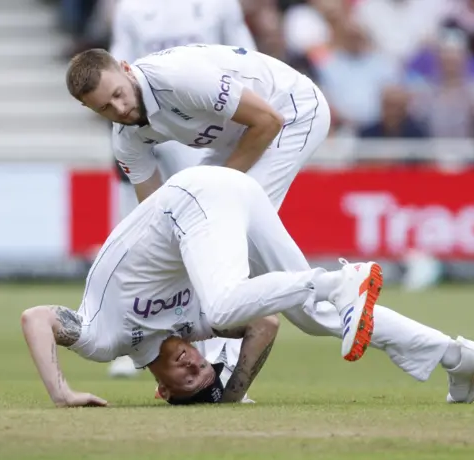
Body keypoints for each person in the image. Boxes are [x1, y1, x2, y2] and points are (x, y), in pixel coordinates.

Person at [21, 166, 474, 407]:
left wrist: (61, 393)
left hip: (190, 199)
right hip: (234, 191)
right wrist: (229, 395)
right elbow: (266, 322)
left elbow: (36, 319)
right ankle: (459, 358)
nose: (192, 362)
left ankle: (336, 279)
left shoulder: (107, 341)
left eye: (186, 378)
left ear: (161, 391)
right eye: (200, 370)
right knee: (313, 318)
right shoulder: (193, 327)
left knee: (229, 303)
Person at [65, 43, 331, 381]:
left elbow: (267, 120)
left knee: (232, 239)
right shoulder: (125, 139)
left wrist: (216, 193)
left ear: (126, 68)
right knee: (198, 243)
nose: (119, 108)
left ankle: (228, 368)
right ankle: (388, 323)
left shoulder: (178, 78)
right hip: (241, 136)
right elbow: (154, 217)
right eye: (105, 107)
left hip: (293, 110)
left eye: (118, 94)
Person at [106, 0, 257, 380]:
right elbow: (117, 67)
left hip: (206, 120)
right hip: (152, 124)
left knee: (206, 234)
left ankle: (219, 346)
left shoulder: (219, 5)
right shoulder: (131, 9)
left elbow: (245, 55)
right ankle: (141, 342)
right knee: (147, 233)